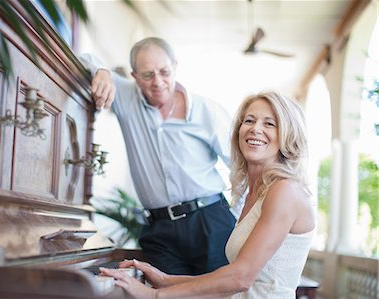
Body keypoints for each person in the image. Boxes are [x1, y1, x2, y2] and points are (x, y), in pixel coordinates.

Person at [100, 91, 315, 298]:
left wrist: (155, 295)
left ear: (287, 135)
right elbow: (228, 280)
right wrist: (165, 280)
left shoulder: (284, 191)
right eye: (249, 121)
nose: (255, 129)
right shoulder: (255, 194)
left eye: (269, 123)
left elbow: (240, 278)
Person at [80, 37, 237, 275]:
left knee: (219, 293)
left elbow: (242, 167)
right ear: (134, 76)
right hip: (159, 229)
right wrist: (102, 71)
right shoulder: (125, 96)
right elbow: (83, 60)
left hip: (210, 220)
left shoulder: (208, 111)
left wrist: (237, 217)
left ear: (175, 65)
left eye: (164, 72)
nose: (158, 82)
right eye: (147, 75)